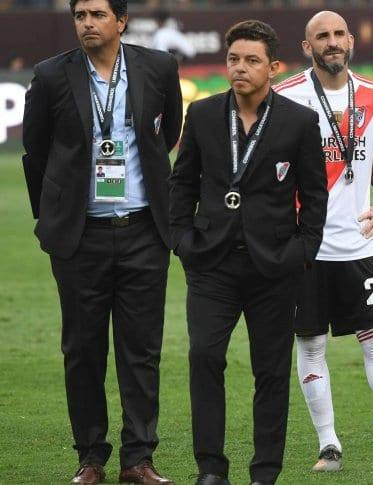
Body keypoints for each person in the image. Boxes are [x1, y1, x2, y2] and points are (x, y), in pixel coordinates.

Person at [21, 0, 181, 483]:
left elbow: (168, 132)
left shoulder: (157, 67)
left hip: (143, 231)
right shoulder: (51, 75)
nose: (87, 23)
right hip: (80, 236)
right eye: (80, 15)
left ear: (122, 20)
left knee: (142, 350)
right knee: (82, 350)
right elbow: (36, 150)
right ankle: (91, 457)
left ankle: (138, 459)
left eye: (97, 14)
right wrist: (51, 217)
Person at [273, 10, 373, 474]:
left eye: (338, 34)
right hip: (304, 250)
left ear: (351, 41)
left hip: (359, 246)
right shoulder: (285, 97)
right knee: (309, 346)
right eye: (321, 36)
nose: (332, 42)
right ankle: (329, 445)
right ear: (307, 47)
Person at [168, 20, 328, 485]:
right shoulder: (200, 114)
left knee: (271, 371)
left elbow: (315, 196)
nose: (240, 68)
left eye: (252, 60)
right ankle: (210, 470)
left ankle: (264, 472)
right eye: (234, 59)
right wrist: (183, 241)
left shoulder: (300, 121)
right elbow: (182, 184)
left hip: (275, 267)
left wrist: (301, 251)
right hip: (212, 265)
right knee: (203, 358)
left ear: (273, 68)